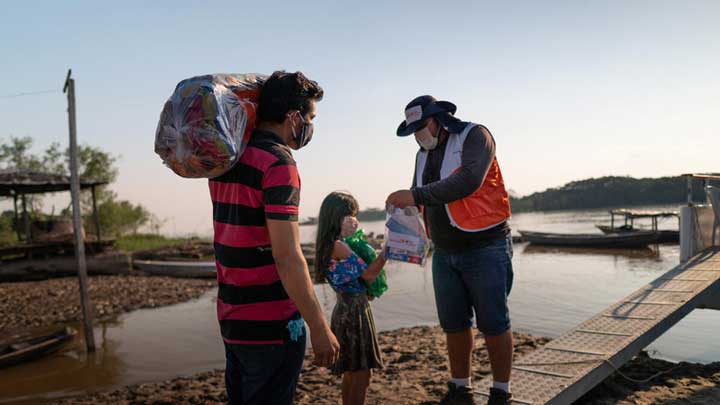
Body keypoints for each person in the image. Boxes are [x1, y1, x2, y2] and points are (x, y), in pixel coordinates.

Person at [209, 71, 339, 404]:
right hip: (272, 323)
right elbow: (287, 256)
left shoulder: (228, 159)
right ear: (294, 117)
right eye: (311, 118)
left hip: (232, 317)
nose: (311, 127)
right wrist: (319, 326)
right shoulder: (278, 164)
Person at [387, 95, 514, 405]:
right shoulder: (422, 155)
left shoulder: (475, 136)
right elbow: (420, 198)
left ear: (438, 119)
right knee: (454, 324)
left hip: (485, 245)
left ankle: (501, 392)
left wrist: (414, 194)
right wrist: (403, 219)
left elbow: (468, 181)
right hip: (443, 252)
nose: (418, 134)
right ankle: (461, 388)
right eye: (413, 130)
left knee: (494, 323)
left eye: (421, 127)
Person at [314, 191, 386, 405]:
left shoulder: (329, 244)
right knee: (361, 375)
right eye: (349, 216)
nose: (354, 220)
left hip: (347, 308)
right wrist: (387, 252)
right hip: (354, 313)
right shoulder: (339, 246)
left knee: (352, 372)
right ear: (337, 217)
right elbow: (369, 274)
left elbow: (354, 280)